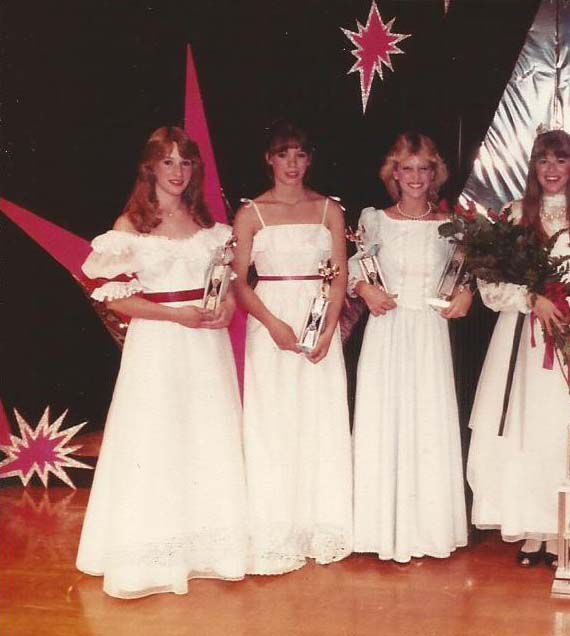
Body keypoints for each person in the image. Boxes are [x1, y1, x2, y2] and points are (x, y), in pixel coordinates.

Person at [76, 126, 247, 598]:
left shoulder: (208, 225)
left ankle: (209, 551)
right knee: (156, 440)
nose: (178, 171)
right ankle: (152, 555)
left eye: (185, 162)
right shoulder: (130, 226)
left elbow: (227, 284)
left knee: (205, 436)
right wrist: (175, 315)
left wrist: (227, 306)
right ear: (150, 167)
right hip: (159, 345)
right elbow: (117, 300)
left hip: (205, 348)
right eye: (168, 161)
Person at [466, 130, 570, 567]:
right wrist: (530, 298)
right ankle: (532, 528)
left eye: (561, 160)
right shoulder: (515, 214)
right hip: (526, 336)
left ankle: (562, 531)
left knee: (567, 428)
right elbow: (490, 286)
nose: (552, 170)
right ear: (533, 167)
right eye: (543, 161)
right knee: (527, 430)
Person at [232, 120, 353, 574]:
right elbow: (238, 282)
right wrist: (272, 324)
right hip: (272, 323)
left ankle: (321, 524)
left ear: (309, 159)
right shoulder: (251, 214)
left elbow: (339, 275)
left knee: (320, 418)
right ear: (269, 159)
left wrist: (329, 329)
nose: (292, 164)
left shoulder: (329, 210)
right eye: (283, 154)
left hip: (318, 321)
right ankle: (275, 527)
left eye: (300, 154)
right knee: (273, 421)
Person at [350, 132, 472, 563]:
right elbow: (355, 269)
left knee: (428, 425)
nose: (416, 177)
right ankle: (379, 530)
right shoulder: (374, 220)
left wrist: (467, 295)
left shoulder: (452, 225)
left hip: (429, 335)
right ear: (394, 174)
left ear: (435, 174)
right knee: (385, 421)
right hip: (387, 331)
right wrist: (365, 289)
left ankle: (428, 530)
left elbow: (465, 276)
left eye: (424, 168)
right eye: (407, 168)